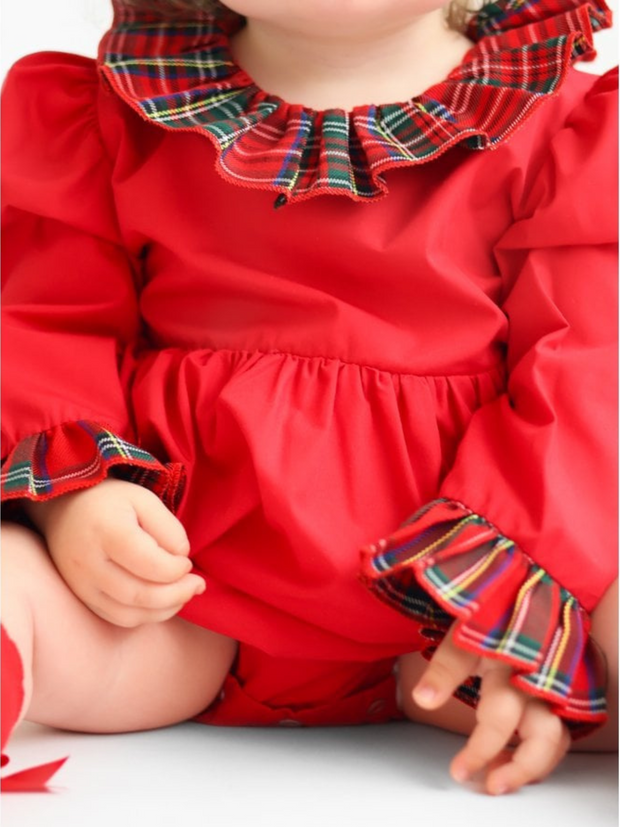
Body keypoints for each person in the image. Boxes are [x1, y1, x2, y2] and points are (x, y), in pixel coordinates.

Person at [1, 0, 617, 796]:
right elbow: (44, 319)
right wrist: (75, 499)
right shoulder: (104, 113)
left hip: (457, 626)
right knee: (9, 575)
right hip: (173, 610)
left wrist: (532, 587)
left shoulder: (566, 127)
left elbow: (585, 367)